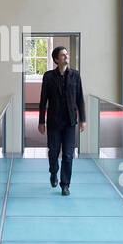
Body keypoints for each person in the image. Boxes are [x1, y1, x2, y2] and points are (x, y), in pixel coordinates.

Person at [38, 45, 86, 195]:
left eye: (66, 54)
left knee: (68, 154)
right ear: (56, 59)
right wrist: (41, 121)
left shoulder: (75, 75)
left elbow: (80, 98)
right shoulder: (48, 76)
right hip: (54, 121)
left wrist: (83, 119)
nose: (66, 57)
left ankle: (65, 184)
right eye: (63, 55)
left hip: (70, 122)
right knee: (53, 152)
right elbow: (43, 100)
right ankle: (53, 171)